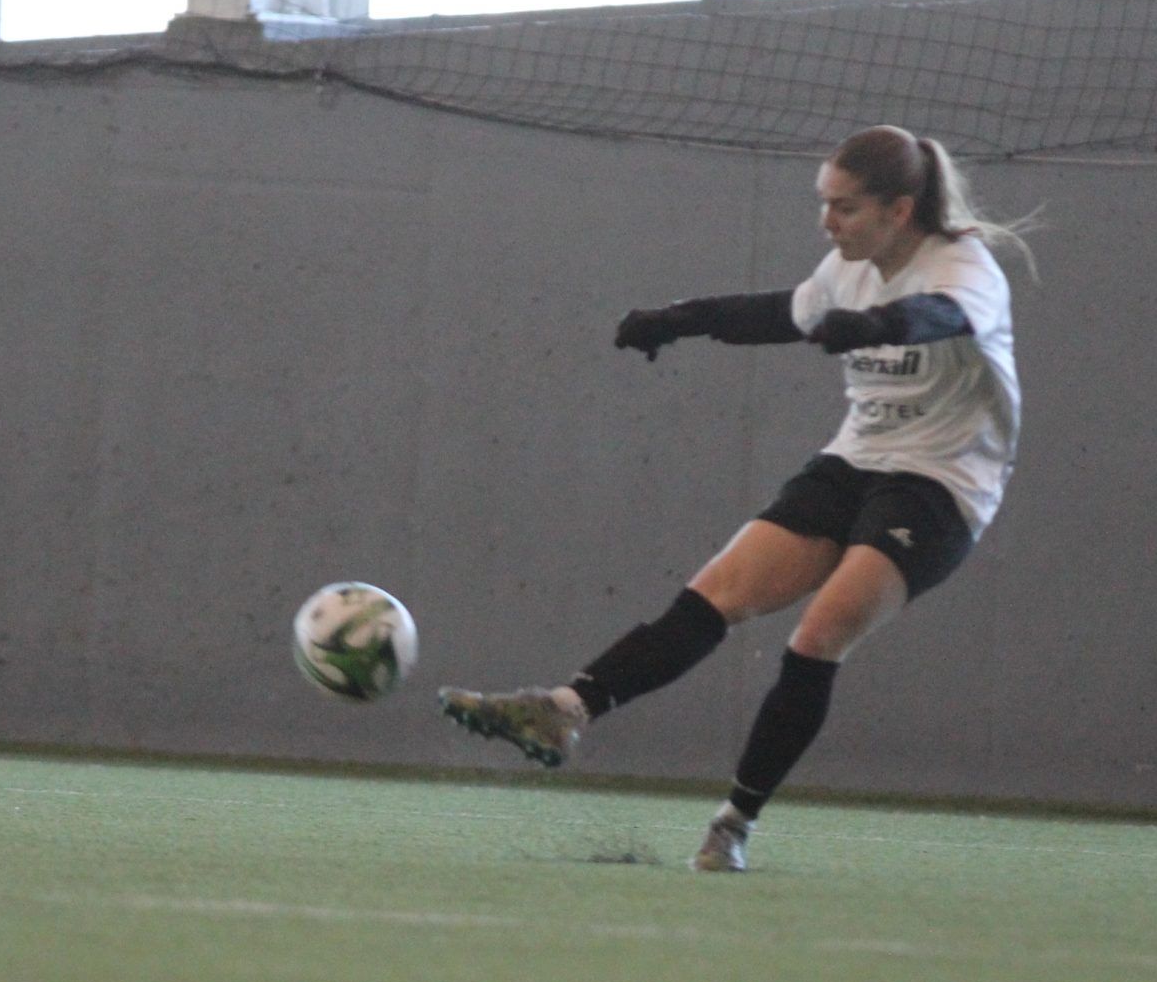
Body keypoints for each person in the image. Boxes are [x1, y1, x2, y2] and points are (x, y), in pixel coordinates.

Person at [439, 125, 1024, 872]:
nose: (827, 222)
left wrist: (877, 325)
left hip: (942, 482)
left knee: (819, 633)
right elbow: (777, 314)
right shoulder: (845, 269)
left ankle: (733, 823)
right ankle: (563, 710)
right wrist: (680, 319)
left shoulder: (963, 268)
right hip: (856, 459)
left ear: (899, 210)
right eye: (823, 203)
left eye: (845, 207)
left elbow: (941, 316)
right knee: (716, 593)